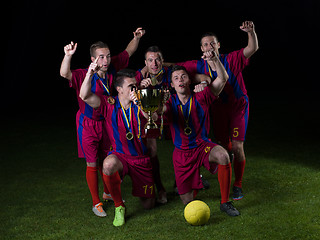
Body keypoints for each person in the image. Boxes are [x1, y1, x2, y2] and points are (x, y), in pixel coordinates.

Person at [59, 28, 145, 217]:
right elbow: (64, 73)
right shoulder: (84, 73)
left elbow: (128, 51)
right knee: (92, 163)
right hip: (87, 123)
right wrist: (67, 56)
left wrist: (135, 38)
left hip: (107, 121)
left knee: (107, 159)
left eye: (107, 56)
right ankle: (96, 202)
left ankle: (108, 192)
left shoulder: (112, 65)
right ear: (93, 60)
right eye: (101, 57)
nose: (105, 61)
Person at [176, 21, 259, 200]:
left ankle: (238, 185)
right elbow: (176, 68)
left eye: (212, 43)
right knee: (223, 145)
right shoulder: (197, 65)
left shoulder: (231, 59)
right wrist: (155, 67)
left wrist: (251, 32)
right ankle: (210, 171)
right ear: (201, 48)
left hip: (238, 107)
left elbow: (252, 48)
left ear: (218, 45)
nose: (209, 46)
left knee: (237, 146)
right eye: (206, 44)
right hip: (218, 109)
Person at [162, 60, 240, 216]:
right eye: (176, 78)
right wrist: (157, 104)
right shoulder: (169, 102)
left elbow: (223, 78)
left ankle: (225, 202)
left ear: (190, 81)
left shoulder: (201, 96)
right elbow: (158, 110)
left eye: (183, 76)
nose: (180, 80)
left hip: (202, 146)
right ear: (172, 85)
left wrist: (215, 59)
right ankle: (196, 181)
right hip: (182, 154)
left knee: (223, 155)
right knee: (188, 202)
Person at [80, 67, 156, 227]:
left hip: (141, 159)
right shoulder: (109, 105)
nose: (135, 89)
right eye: (131, 87)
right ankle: (118, 205)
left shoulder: (141, 101)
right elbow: (84, 95)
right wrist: (89, 74)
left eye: (135, 86)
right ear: (119, 89)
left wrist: (141, 103)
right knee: (107, 164)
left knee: (149, 205)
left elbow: (153, 118)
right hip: (120, 157)